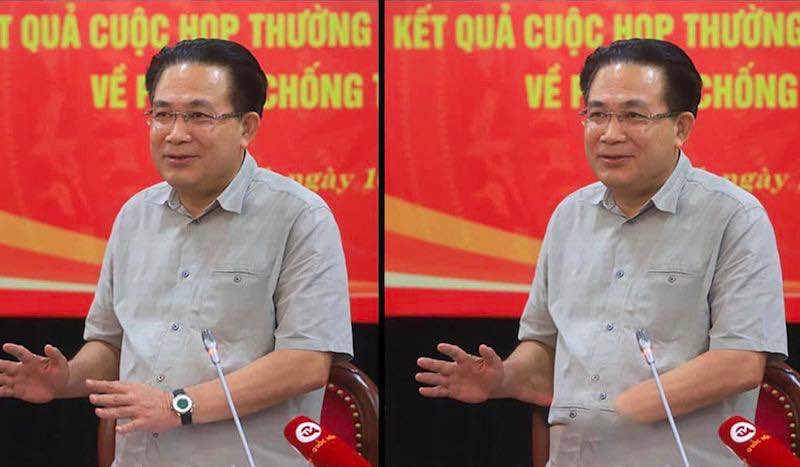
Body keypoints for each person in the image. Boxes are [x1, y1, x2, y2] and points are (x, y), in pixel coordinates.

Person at [416, 38, 787, 466]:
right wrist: (503, 378)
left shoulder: (734, 217)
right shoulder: (569, 217)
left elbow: (740, 362)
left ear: (681, 128)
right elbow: (545, 351)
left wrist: (629, 403)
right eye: (597, 115)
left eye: (633, 115)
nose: (610, 134)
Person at [0, 39, 353, 467]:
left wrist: (177, 406)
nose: (176, 133)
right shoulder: (136, 216)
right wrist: (66, 380)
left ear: (247, 127)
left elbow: (305, 363)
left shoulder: (300, 217)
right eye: (162, 114)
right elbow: (112, 345)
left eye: (199, 116)